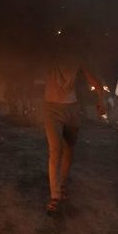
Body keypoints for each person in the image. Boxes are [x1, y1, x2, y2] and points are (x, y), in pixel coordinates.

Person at [41, 30, 107, 214]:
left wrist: (101, 101)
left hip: (71, 109)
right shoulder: (50, 56)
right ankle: (55, 196)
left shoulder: (78, 59)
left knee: (69, 149)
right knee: (55, 150)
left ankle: (61, 186)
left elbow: (97, 83)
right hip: (51, 109)